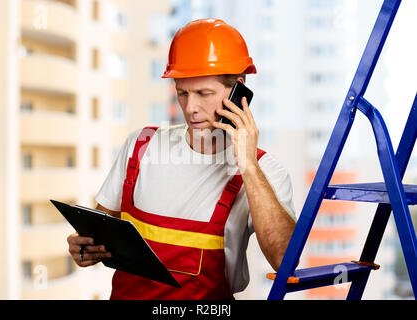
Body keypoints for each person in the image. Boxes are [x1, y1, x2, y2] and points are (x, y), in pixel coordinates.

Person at [67, 18, 296, 300]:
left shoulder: (265, 171)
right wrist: (85, 246)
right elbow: (101, 226)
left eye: (204, 94)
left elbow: (285, 260)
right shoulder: (141, 145)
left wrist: (247, 164)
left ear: (239, 90)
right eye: (182, 93)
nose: (191, 108)